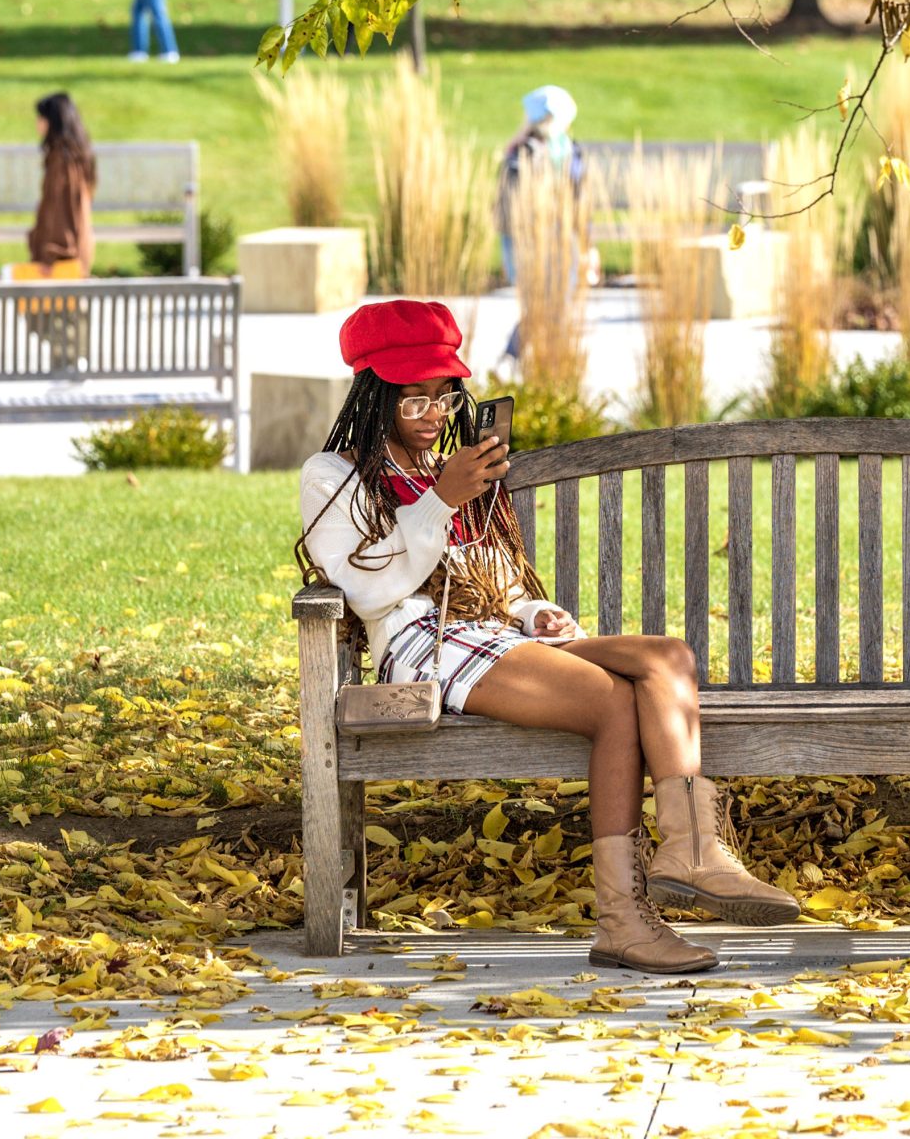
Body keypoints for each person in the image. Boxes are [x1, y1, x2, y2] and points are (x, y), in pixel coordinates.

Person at [298, 298, 800, 976]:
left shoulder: (454, 469)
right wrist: (440, 499)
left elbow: (496, 576)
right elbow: (368, 589)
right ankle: (623, 921)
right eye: (414, 399)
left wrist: (534, 613)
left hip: (492, 636)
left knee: (666, 656)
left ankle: (693, 851)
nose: (433, 415)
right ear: (372, 395)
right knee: (610, 698)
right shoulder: (334, 475)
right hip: (422, 645)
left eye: (444, 397)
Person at [496, 83, 588, 288]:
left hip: (555, 227)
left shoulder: (564, 149)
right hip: (533, 229)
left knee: (556, 277)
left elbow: (578, 195)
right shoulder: (525, 152)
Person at [27, 91, 96, 275]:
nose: (37, 122)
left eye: (41, 117)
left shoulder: (63, 162)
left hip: (63, 258)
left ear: (53, 121)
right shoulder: (75, 155)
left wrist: (52, 254)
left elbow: (61, 212)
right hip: (74, 252)